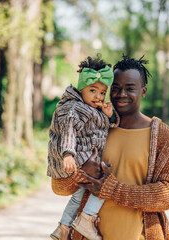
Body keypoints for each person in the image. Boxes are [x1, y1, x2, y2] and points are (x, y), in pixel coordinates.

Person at [50, 55, 169, 240]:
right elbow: (59, 188)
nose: (121, 94)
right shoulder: (90, 127)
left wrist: (113, 189)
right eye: (115, 88)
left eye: (130, 88)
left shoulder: (163, 136)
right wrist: (79, 172)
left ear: (143, 91)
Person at [47, 55, 119, 240]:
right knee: (105, 184)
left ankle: (63, 228)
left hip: (85, 158)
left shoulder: (90, 108)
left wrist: (109, 116)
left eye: (102, 92)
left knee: (79, 194)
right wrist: (68, 153)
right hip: (79, 158)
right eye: (93, 90)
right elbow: (68, 131)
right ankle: (87, 219)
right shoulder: (74, 108)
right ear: (81, 89)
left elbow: (100, 130)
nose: (98, 96)